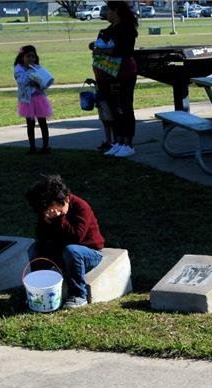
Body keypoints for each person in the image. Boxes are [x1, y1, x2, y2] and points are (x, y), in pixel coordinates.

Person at [25, 174, 104, 308]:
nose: (49, 212)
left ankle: (79, 294)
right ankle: (40, 288)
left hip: (87, 252)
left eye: (52, 208)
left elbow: (76, 237)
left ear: (65, 200)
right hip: (61, 250)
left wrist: (59, 219)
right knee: (34, 248)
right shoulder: (45, 211)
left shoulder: (81, 207)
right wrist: (46, 222)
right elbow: (41, 237)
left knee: (71, 250)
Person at [90, 1, 139, 157]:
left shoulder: (127, 29)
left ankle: (128, 143)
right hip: (107, 73)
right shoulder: (110, 29)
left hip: (123, 72)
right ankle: (118, 142)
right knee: (113, 107)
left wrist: (103, 51)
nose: (106, 13)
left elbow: (123, 50)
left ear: (116, 11)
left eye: (108, 10)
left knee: (124, 106)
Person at [13, 45, 53, 155]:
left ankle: (46, 146)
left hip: (39, 98)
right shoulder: (18, 68)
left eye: (33, 57)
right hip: (27, 100)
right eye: (28, 56)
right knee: (30, 123)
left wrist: (40, 83)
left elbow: (44, 82)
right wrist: (32, 78)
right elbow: (21, 81)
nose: (31, 59)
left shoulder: (38, 68)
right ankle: (32, 147)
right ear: (22, 57)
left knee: (42, 122)